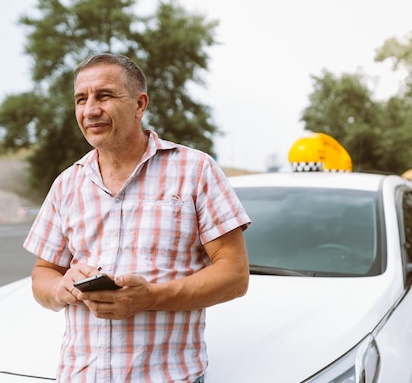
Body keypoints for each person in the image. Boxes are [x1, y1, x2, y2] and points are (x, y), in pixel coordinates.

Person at [23, 53, 251, 383]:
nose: (90, 110)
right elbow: (42, 275)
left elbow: (234, 275)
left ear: (139, 104)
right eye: (81, 99)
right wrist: (62, 287)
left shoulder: (196, 170)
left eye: (104, 95)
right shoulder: (66, 184)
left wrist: (150, 298)